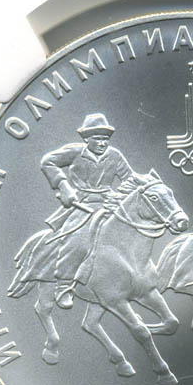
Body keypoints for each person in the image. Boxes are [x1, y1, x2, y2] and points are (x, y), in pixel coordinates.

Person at [41, 113, 134, 308]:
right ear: (86, 139)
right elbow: (47, 161)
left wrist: (137, 188)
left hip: (109, 203)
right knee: (77, 240)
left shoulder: (115, 155)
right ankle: (64, 285)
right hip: (83, 204)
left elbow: (128, 178)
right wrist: (63, 185)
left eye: (105, 139)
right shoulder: (75, 152)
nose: (102, 143)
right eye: (97, 138)